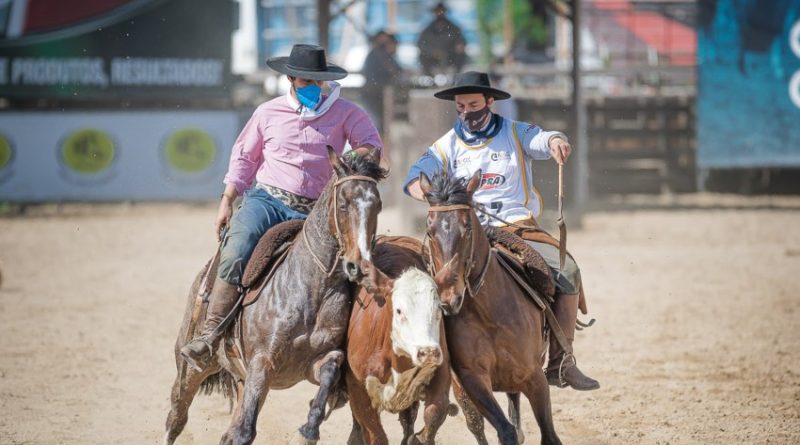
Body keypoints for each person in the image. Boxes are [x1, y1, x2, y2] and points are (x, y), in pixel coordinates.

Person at [180, 44, 383, 371]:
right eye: (306, 82)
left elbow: (371, 146)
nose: (313, 88)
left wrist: (347, 161)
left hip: (319, 211)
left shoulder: (347, 112)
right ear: (291, 79)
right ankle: (211, 332)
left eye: (317, 82)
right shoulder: (267, 112)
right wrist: (227, 200)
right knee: (237, 248)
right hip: (269, 201)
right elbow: (245, 158)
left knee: (356, 263)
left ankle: (355, 349)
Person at [404, 71, 599, 391]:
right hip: (465, 234)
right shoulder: (446, 145)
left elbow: (543, 138)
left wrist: (555, 141)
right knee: (423, 282)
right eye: (461, 106)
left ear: (490, 102)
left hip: (517, 227)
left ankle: (561, 362)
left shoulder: (515, 132)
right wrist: (430, 197)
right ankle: (425, 361)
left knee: (568, 270)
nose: (467, 112)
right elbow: (415, 177)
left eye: (473, 104)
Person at [361, 30, 404, 133]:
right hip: (374, 94)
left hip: (379, 95)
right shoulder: (378, 55)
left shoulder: (384, 56)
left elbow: (397, 71)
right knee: (377, 125)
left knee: (382, 125)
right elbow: (393, 72)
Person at [417, 2, 467, 76]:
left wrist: (459, 46)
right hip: (433, 57)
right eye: (438, 11)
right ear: (434, 12)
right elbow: (421, 43)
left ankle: (456, 77)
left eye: (442, 11)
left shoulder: (454, 28)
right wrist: (433, 52)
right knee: (422, 56)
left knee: (461, 55)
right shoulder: (427, 29)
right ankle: (429, 78)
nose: (440, 13)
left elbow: (461, 41)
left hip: (450, 56)